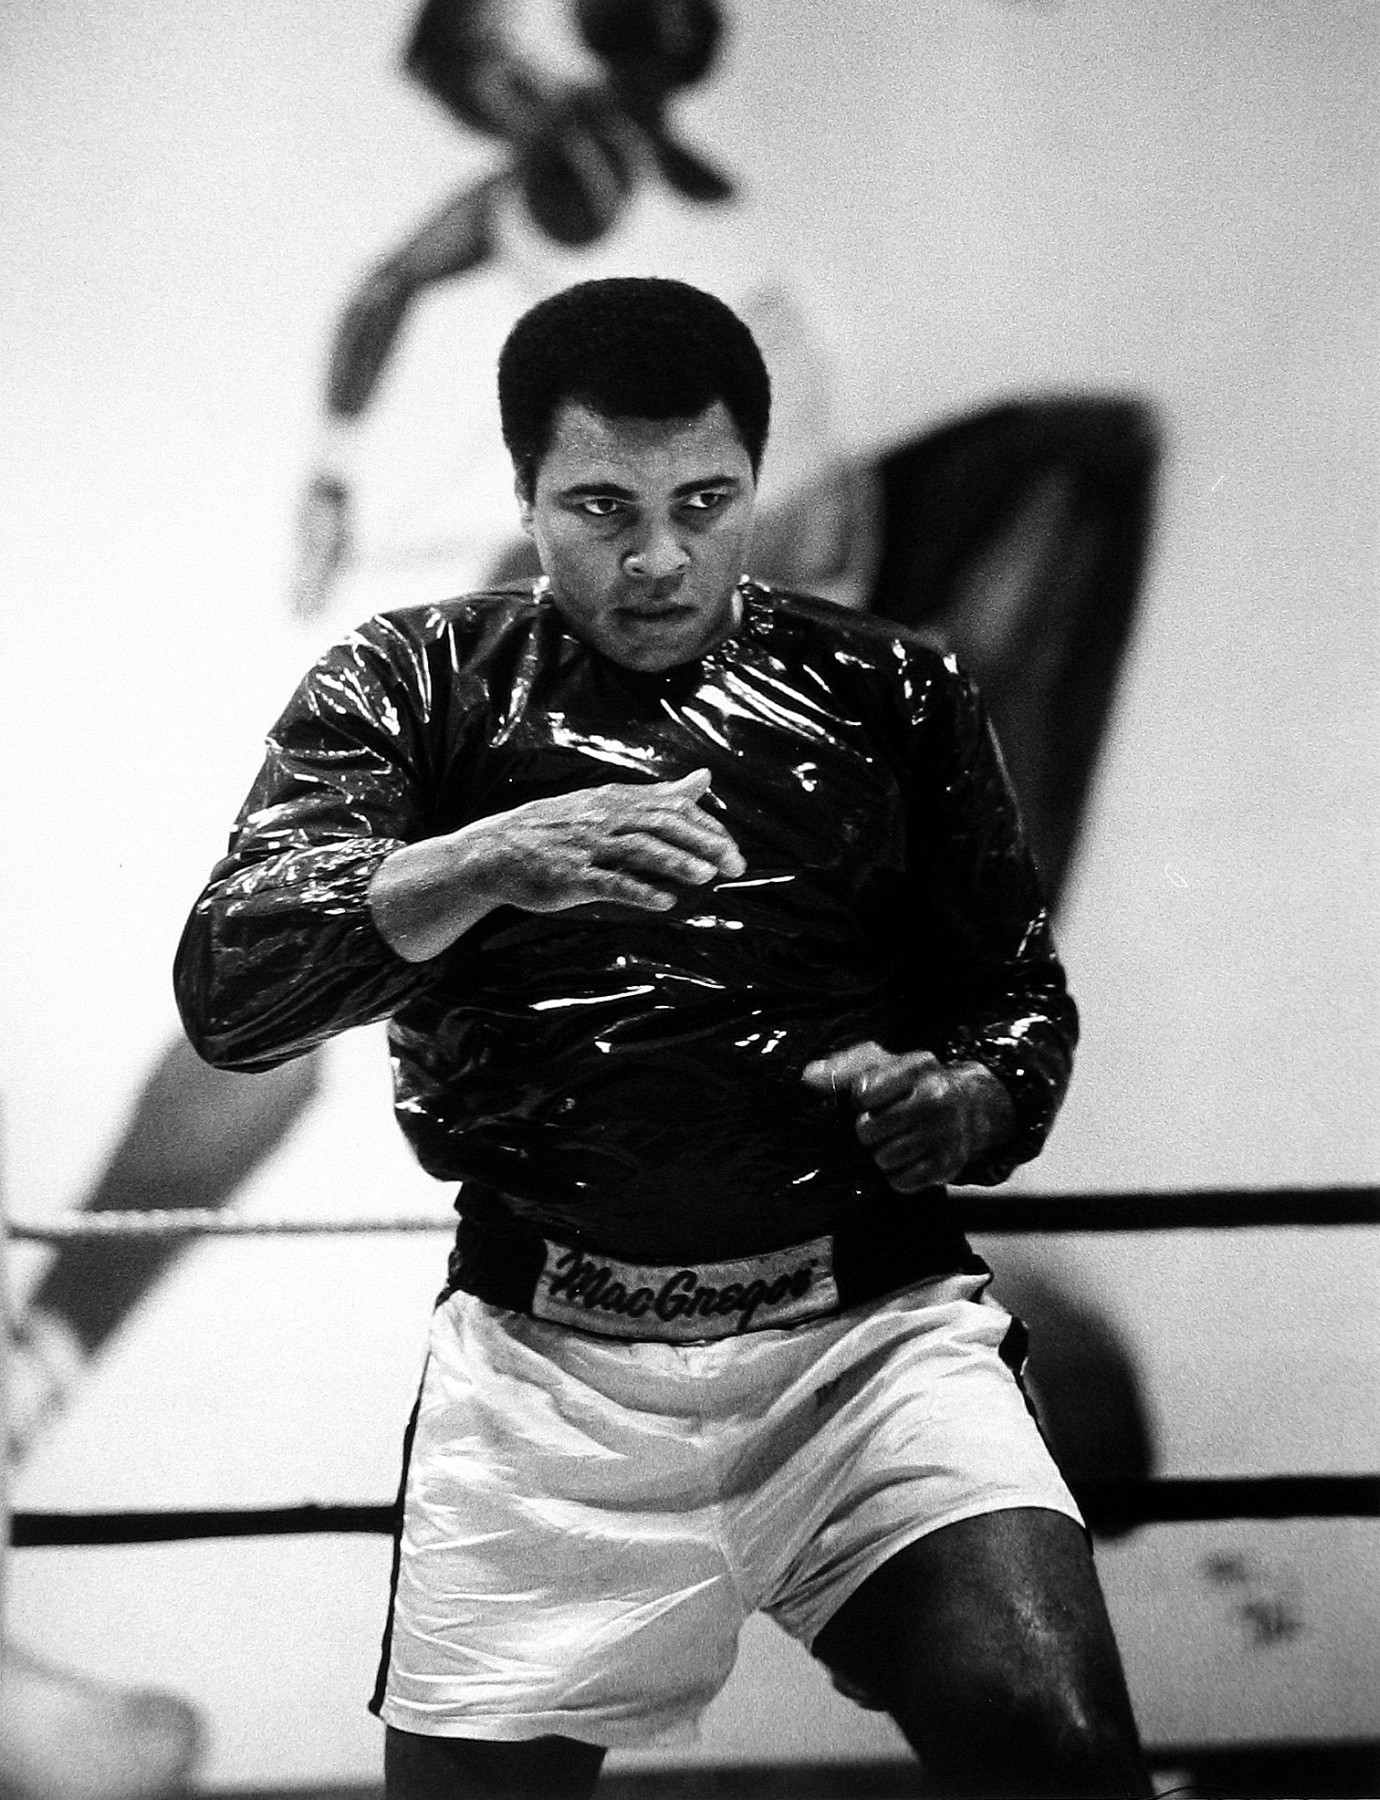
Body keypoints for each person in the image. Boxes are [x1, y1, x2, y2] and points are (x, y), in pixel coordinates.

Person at [174, 277, 1151, 1799]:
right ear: (525, 496)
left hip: (865, 1340)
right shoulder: (412, 684)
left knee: (1059, 1744)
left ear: (760, 481)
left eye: (706, 501)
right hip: (552, 1368)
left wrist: (959, 1095)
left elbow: (1019, 1003)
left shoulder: (892, 689)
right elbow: (235, 993)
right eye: (601, 507)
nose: (658, 557)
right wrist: (483, 857)